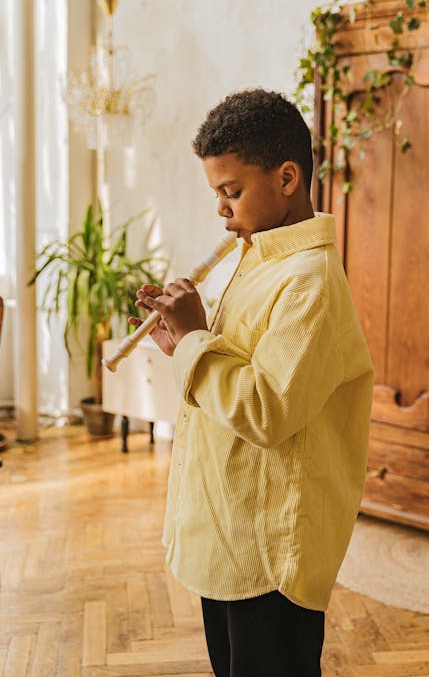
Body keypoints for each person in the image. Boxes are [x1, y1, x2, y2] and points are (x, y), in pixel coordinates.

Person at [129, 88, 374, 677]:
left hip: (271, 554)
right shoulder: (257, 256)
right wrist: (182, 340)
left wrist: (194, 339)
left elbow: (267, 409)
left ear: (288, 176)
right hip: (230, 532)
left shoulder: (309, 279)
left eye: (231, 191)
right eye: (217, 193)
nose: (221, 210)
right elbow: (237, 368)